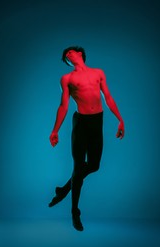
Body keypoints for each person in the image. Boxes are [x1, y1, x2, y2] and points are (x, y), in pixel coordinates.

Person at [49, 46, 124, 231]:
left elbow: (108, 97)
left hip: (97, 121)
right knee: (78, 166)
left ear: (80, 53)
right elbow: (63, 106)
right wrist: (55, 130)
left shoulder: (98, 73)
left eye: (70, 52)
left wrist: (120, 120)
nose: (67, 55)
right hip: (80, 122)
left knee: (94, 165)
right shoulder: (67, 79)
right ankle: (75, 212)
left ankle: (65, 189)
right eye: (65, 55)